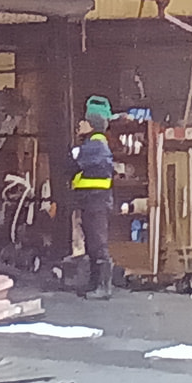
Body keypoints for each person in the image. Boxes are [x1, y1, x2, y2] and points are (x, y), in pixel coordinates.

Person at [71, 110, 115, 300]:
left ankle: (103, 287)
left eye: (84, 121)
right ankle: (95, 283)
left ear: (92, 125)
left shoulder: (95, 145)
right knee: (92, 243)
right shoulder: (93, 144)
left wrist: (74, 155)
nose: (80, 124)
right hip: (91, 200)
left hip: (96, 201)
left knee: (98, 243)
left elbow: (71, 161)